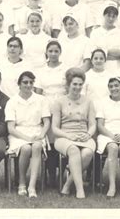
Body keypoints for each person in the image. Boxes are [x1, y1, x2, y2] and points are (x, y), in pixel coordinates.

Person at [51, 68, 96, 199]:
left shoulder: (88, 101)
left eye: (80, 84)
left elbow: (92, 124)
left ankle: (67, 185)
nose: (77, 87)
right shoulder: (59, 101)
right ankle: (80, 189)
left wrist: (88, 134)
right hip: (64, 136)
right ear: (68, 85)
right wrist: (68, 136)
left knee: (87, 153)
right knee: (74, 150)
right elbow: (54, 128)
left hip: (83, 135)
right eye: (74, 84)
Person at [5, 71, 51, 198]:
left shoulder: (41, 100)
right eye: (25, 82)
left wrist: (41, 135)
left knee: (36, 147)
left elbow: (47, 122)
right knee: (25, 148)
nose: (28, 85)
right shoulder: (12, 101)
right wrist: (27, 138)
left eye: (31, 82)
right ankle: (21, 183)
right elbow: (11, 128)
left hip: (37, 131)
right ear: (19, 84)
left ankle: (32, 186)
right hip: (18, 133)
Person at [95, 77, 120, 197]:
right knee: (113, 148)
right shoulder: (102, 102)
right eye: (111, 86)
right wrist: (112, 136)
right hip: (107, 135)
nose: (114, 88)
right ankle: (112, 185)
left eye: (117, 85)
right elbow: (100, 125)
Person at [34, 40, 67, 187]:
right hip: (46, 108)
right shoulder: (41, 70)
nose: (53, 54)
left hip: (63, 108)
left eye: (56, 51)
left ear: (60, 52)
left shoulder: (66, 70)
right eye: (50, 51)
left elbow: (68, 90)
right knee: (50, 144)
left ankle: (63, 173)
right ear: (46, 53)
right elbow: (39, 92)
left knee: (63, 141)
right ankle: (51, 175)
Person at [89, 5, 120, 70]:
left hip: (116, 66)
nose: (111, 19)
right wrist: (113, 54)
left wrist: (102, 51)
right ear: (104, 15)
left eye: (113, 16)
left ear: (116, 18)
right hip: (99, 67)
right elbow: (93, 53)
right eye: (108, 16)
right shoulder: (95, 32)